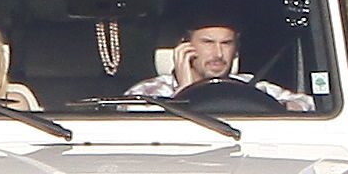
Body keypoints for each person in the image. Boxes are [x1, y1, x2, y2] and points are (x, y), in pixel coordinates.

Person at [125, 19, 315, 111]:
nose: (218, 54)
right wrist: (185, 92)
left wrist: (278, 106)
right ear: (185, 46)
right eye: (207, 43)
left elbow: (308, 104)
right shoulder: (150, 91)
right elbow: (133, 116)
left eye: (226, 44)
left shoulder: (250, 87)